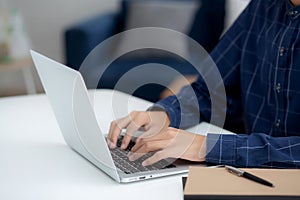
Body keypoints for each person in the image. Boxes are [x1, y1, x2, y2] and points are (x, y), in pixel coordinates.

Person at [107, 0, 300, 168]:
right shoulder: (262, 6)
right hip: (248, 173)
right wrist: (165, 114)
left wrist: (206, 146)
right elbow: (210, 91)